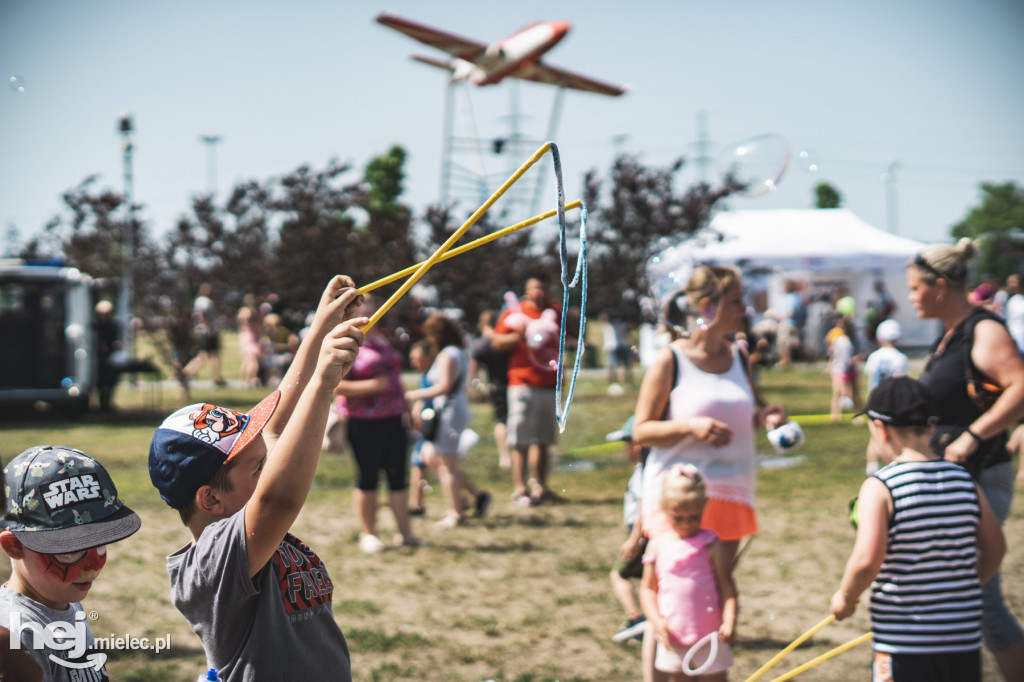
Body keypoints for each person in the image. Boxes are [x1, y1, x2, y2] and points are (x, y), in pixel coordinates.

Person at [147, 276, 365, 680]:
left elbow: (280, 414)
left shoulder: (234, 524)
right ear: (211, 500)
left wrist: (320, 327)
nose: (272, 464)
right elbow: (277, 499)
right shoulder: (212, 560)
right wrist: (325, 381)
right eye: (258, 468)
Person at [633, 265, 785, 682]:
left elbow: (743, 413)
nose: (745, 309)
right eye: (736, 301)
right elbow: (641, 430)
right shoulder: (671, 360)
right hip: (680, 495)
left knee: (712, 591)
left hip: (732, 492)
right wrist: (690, 427)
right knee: (671, 592)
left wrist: (764, 416)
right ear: (707, 307)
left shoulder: (738, 355)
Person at [831, 377, 1005, 682]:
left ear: (879, 430)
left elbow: (867, 559)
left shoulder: (881, 486)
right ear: (931, 428)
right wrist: (966, 586)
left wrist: (845, 598)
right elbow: (996, 548)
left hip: (904, 643)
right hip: (962, 640)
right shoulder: (964, 480)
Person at [908, 239, 1024, 681]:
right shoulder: (950, 336)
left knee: (983, 599)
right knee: (971, 599)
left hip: (981, 478)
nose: (911, 297)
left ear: (940, 286)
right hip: (955, 482)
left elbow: (1020, 387)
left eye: (916, 288)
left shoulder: (984, 329)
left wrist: (974, 436)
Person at [0, 445, 142, 679]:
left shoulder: (63, 598)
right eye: (70, 552)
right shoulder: (17, 633)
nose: (94, 565)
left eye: (100, 544)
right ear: (14, 546)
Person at [333, 294, 421, 552]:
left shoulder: (380, 339)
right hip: (363, 422)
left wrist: (407, 409)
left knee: (398, 477)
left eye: (372, 305)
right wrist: (372, 386)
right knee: (368, 477)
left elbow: (395, 378)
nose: (370, 310)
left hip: (393, 418)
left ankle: (405, 533)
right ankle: (368, 533)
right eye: (363, 306)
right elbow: (334, 385)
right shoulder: (346, 341)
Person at [640, 464, 737, 682]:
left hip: (710, 635)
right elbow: (647, 589)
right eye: (678, 517)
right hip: (673, 636)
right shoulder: (657, 545)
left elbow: (727, 587)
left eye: (694, 517)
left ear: (704, 507)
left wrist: (729, 621)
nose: (687, 523)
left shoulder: (711, 544)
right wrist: (656, 621)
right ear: (664, 509)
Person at [405, 313, 491, 529]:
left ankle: (455, 512)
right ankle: (470, 498)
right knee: (432, 456)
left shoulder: (448, 354)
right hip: (452, 410)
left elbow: (443, 386)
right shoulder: (456, 352)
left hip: (449, 413)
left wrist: (413, 395)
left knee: (447, 466)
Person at [492, 277, 563, 505]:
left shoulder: (554, 313)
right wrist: (520, 335)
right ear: (526, 291)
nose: (539, 292)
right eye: (534, 288)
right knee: (520, 438)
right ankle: (520, 488)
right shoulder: (517, 313)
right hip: (522, 383)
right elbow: (496, 342)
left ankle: (540, 486)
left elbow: (567, 339)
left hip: (549, 383)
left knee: (544, 439)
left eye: (543, 287)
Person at [608, 416, 649, 644]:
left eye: (627, 443)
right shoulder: (644, 469)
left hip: (641, 535)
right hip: (643, 535)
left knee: (619, 573)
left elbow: (644, 505)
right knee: (646, 579)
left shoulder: (644, 472)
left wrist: (634, 539)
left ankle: (636, 619)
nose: (625, 449)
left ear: (638, 445)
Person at [862, 319, 909, 474]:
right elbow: (900, 380)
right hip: (892, 400)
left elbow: (869, 376)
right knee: (892, 435)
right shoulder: (899, 357)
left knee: (874, 436)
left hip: (875, 398)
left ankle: (872, 467)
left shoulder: (874, 356)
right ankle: (892, 466)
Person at [470, 310, 511, 469]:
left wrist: (477, 388)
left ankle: (504, 457)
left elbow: (473, 372)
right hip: (512, 384)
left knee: (501, 421)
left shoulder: (480, 344)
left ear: (482, 324)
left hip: (495, 386)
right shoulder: (504, 340)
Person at [406, 338, 437, 517]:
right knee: (418, 463)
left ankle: (472, 495)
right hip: (422, 428)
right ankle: (415, 504)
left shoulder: (433, 375)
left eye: (417, 358)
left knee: (432, 464)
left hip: (431, 428)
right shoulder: (424, 375)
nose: (413, 362)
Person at [183, 283, 227, 387]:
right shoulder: (206, 302)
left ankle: (215, 376)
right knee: (210, 354)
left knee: (208, 354)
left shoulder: (197, 301)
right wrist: (211, 327)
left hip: (201, 330)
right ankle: (188, 371)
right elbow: (204, 315)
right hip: (208, 331)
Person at [826, 316, 859, 422]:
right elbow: (834, 355)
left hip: (851, 369)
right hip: (840, 369)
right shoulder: (839, 340)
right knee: (837, 393)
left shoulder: (854, 340)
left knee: (854, 394)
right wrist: (829, 367)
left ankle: (857, 415)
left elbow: (859, 353)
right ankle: (835, 415)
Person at [93, 299, 120, 412]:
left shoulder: (113, 324)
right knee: (102, 383)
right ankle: (101, 404)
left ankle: (105, 403)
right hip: (102, 358)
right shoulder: (99, 325)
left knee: (109, 383)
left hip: (109, 357)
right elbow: (101, 343)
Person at [599, 312, 635, 389]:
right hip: (611, 346)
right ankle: (613, 383)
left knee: (626, 365)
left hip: (622, 345)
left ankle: (627, 383)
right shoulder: (607, 324)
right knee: (611, 365)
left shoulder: (622, 323)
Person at [235, 304, 263, 389]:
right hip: (250, 340)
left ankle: (245, 381)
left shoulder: (244, 318)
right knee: (252, 361)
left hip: (247, 340)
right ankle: (248, 381)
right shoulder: (249, 317)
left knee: (247, 361)